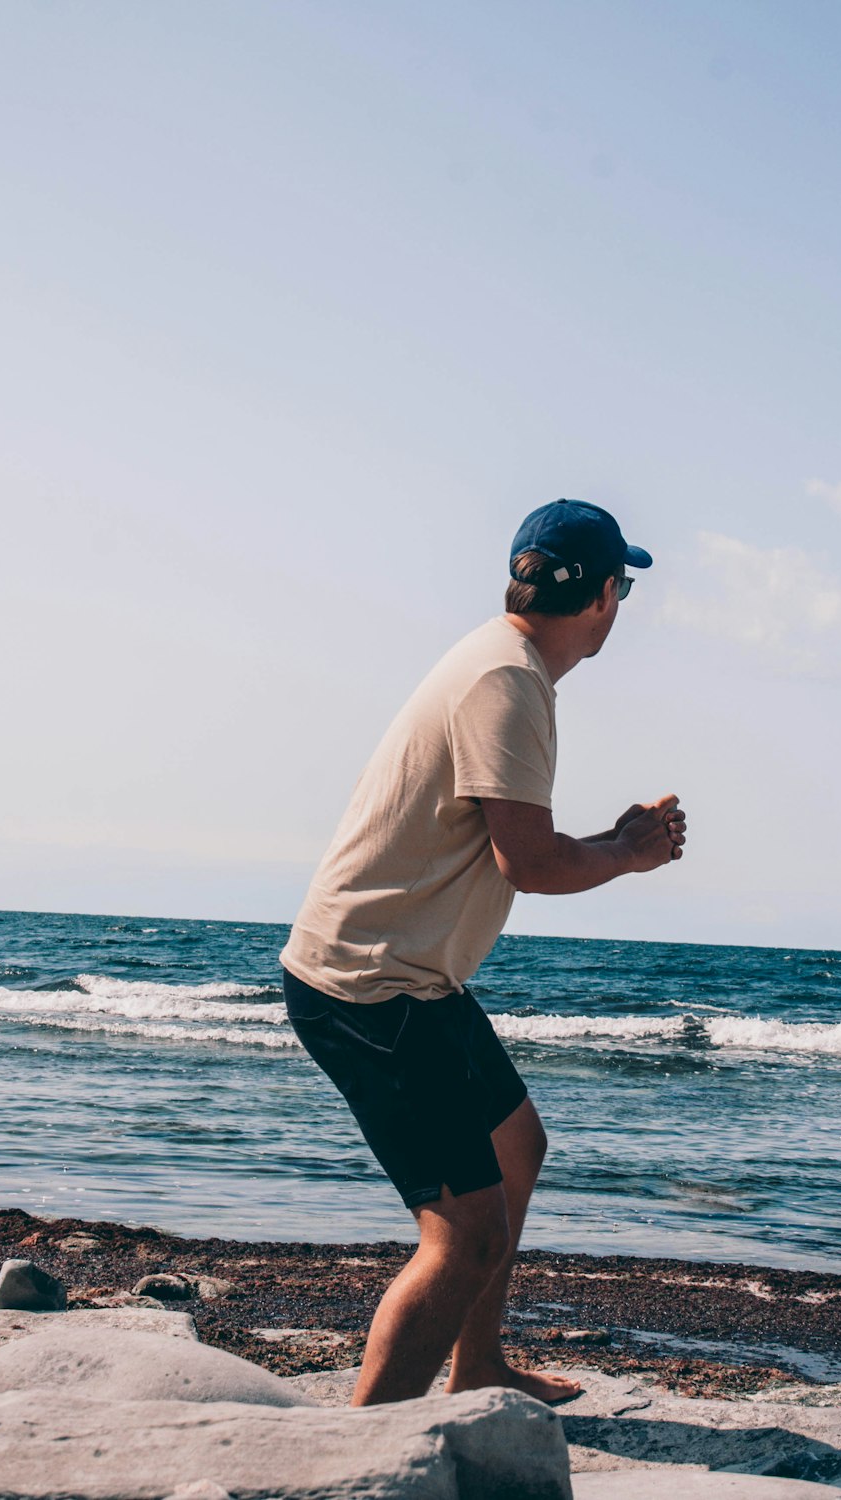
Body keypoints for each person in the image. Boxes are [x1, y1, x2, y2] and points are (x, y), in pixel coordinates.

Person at [280, 497, 686, 1407]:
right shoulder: (509, 682)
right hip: (371, 987)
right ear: (601, 598)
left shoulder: (500, 665)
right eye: (623, 585)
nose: (621, 603)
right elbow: (530, 863)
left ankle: (480, 1368)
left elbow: (513, 843)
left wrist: (616, 845)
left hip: (407, 978)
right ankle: (368, 1448)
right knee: (465, 1235)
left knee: (516, 1150)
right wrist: (629, 854)